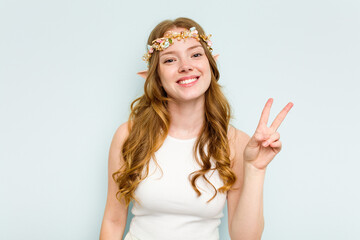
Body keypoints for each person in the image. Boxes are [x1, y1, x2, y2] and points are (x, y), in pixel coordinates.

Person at [99, 17, 293, 240]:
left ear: (210, 64)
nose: (186, 66)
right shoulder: (129, 135)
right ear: (157, 77)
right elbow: (113, 222)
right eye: (170, 60)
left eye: (196, 54)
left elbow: (245, 237)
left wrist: (256, 170)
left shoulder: (236, 142)